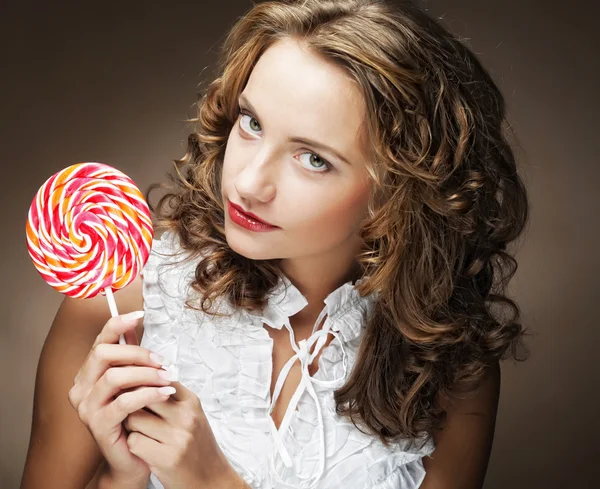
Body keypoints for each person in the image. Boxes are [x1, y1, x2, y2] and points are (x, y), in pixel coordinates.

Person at [20, 1, 530, 488]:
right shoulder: (119, 307)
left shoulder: (451, 366)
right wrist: (121, 478)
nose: (247, 183)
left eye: (312, 158)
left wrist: (212, 482)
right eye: (252, 122)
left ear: (399, 191)